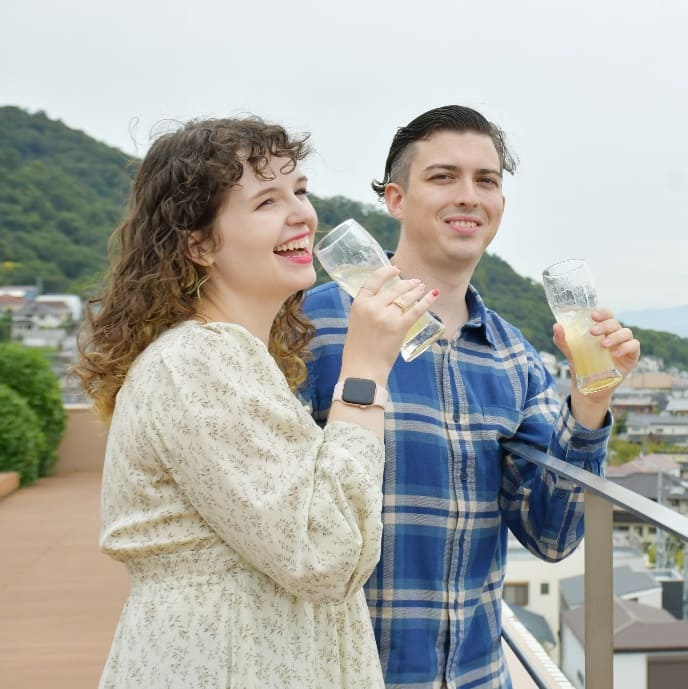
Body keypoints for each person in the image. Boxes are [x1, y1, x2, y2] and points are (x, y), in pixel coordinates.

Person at [74, 116, 438, 689]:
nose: (302, 215)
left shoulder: (226, 357)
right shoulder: (197, 360)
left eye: (300, 191)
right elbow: (324, 553)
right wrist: (365, 372)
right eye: (267, 200)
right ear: (198, 244)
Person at [301, 105, 641, 688]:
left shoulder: (514, 357)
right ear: (395, 199)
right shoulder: (314, 326)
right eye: (443, 177)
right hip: (340, 675)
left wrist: (591, 402)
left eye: (486, 180)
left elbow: (552, 535)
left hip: (479, 676)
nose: (469, 195)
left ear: (501, 203)